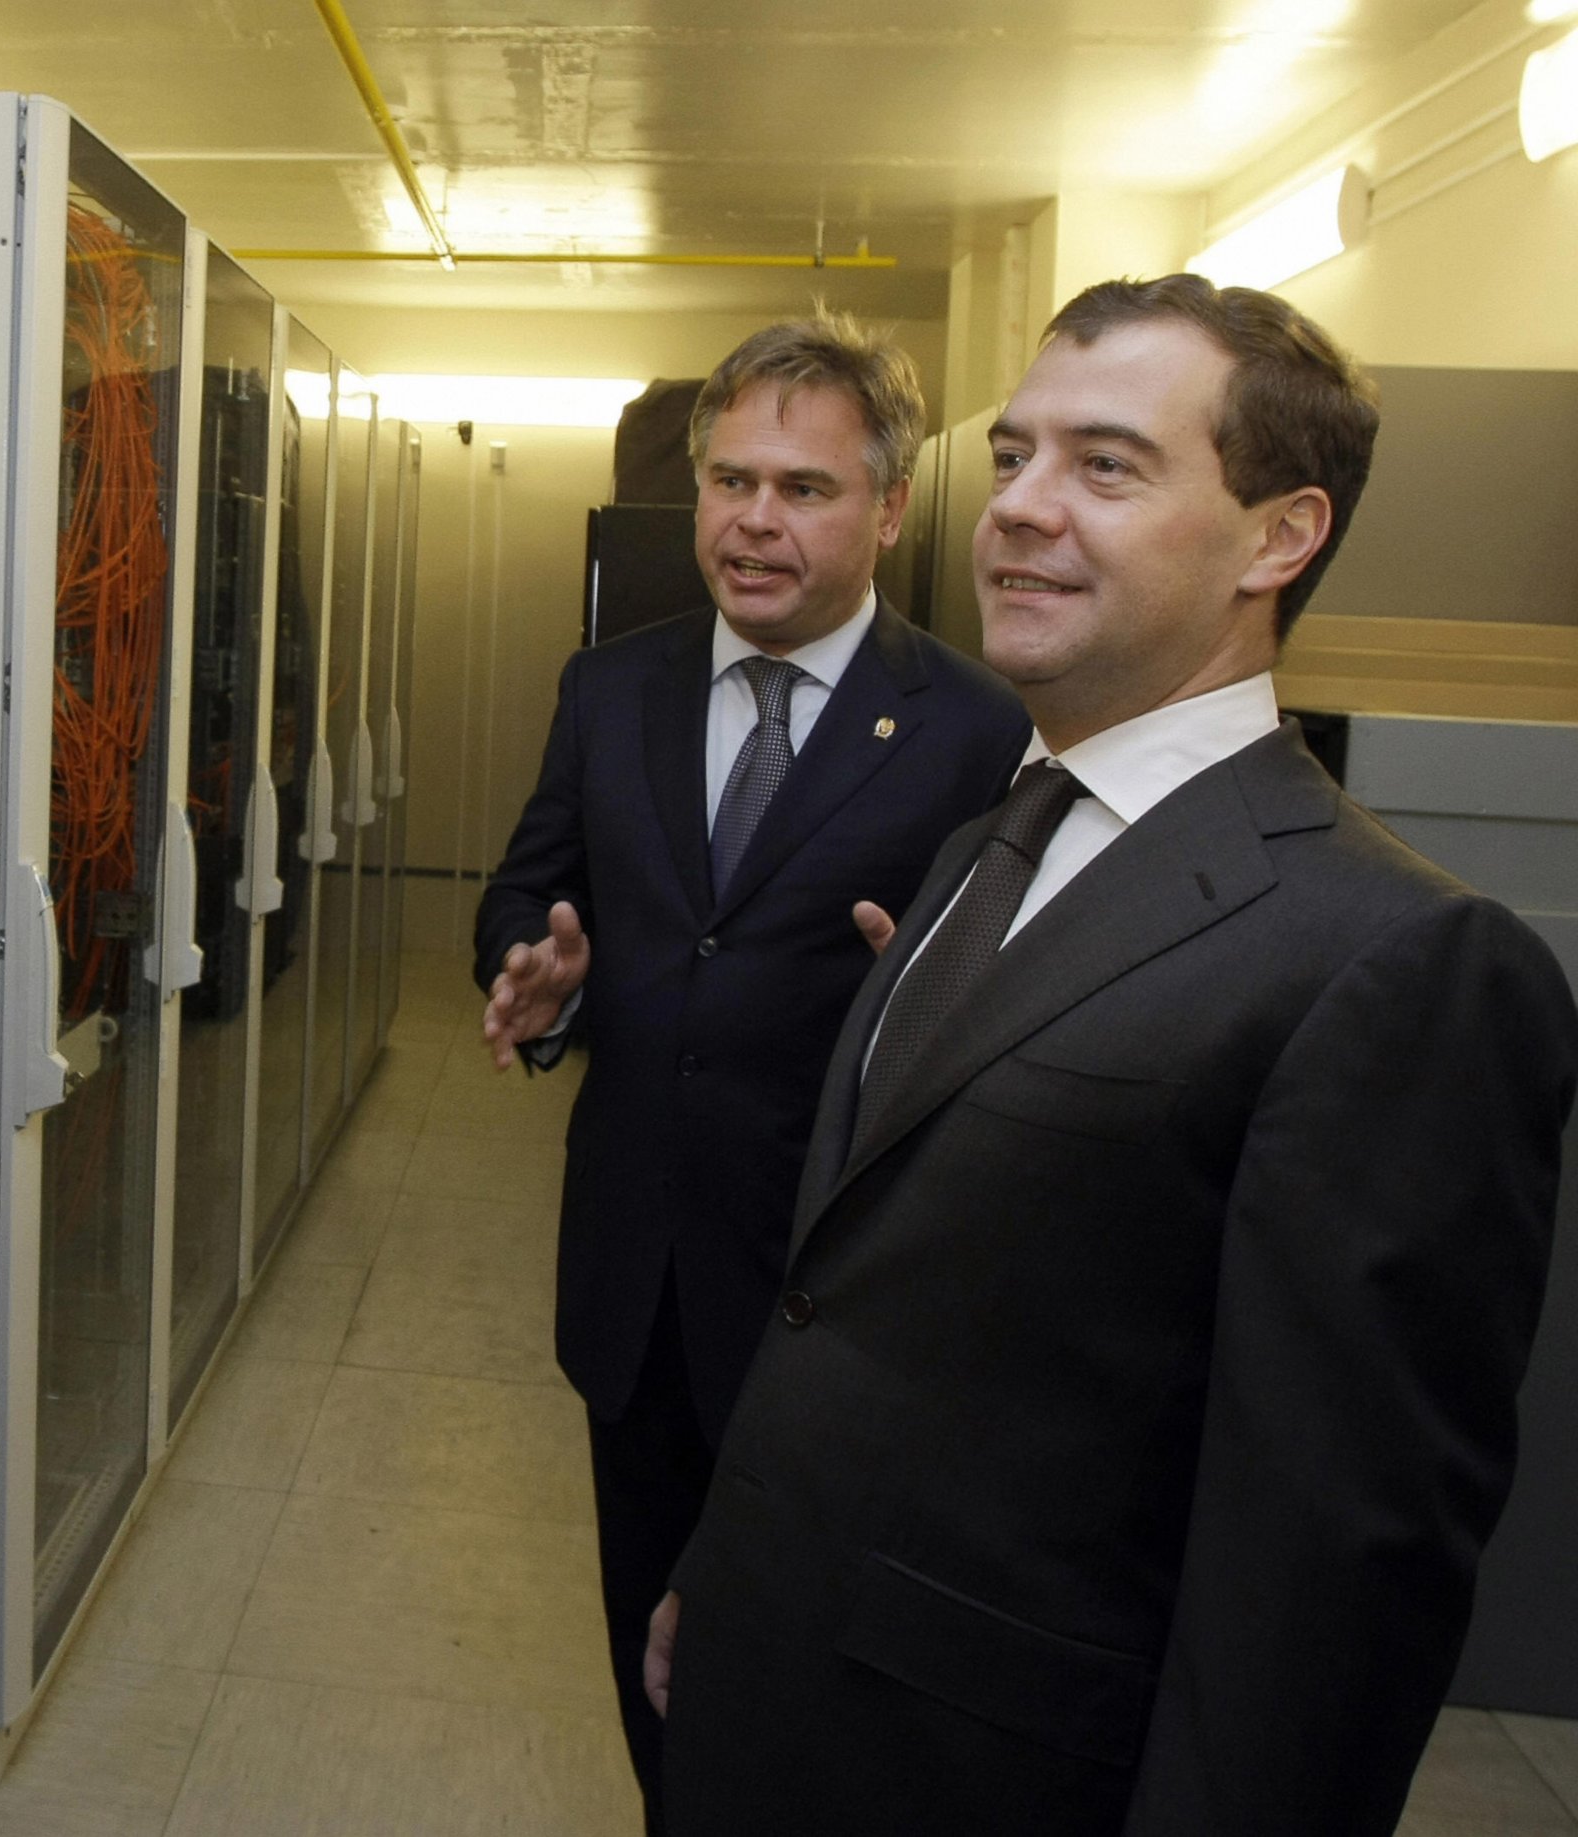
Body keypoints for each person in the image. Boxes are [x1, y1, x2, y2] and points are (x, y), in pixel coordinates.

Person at [650, 276, 1578, 1837]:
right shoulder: (990, 845)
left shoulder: (1396, 957)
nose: (1018, 508)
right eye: (1013, 456)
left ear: (1281, 537)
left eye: (1106, 466)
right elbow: (856, 1298)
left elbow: (1327, 1590)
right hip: (780, 1685)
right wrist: (725, 1575)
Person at [474, 314, 1029, 1829]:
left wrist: (942, 1000)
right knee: (651, 1690)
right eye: (731, 482)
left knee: (802, 1701)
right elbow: (527, 892)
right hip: (639, 1289)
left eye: (803, 487)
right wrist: (538, 973)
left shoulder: (979, 731)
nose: (756, 522)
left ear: (890, 508)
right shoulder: (613, 689)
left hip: (842, 1312)